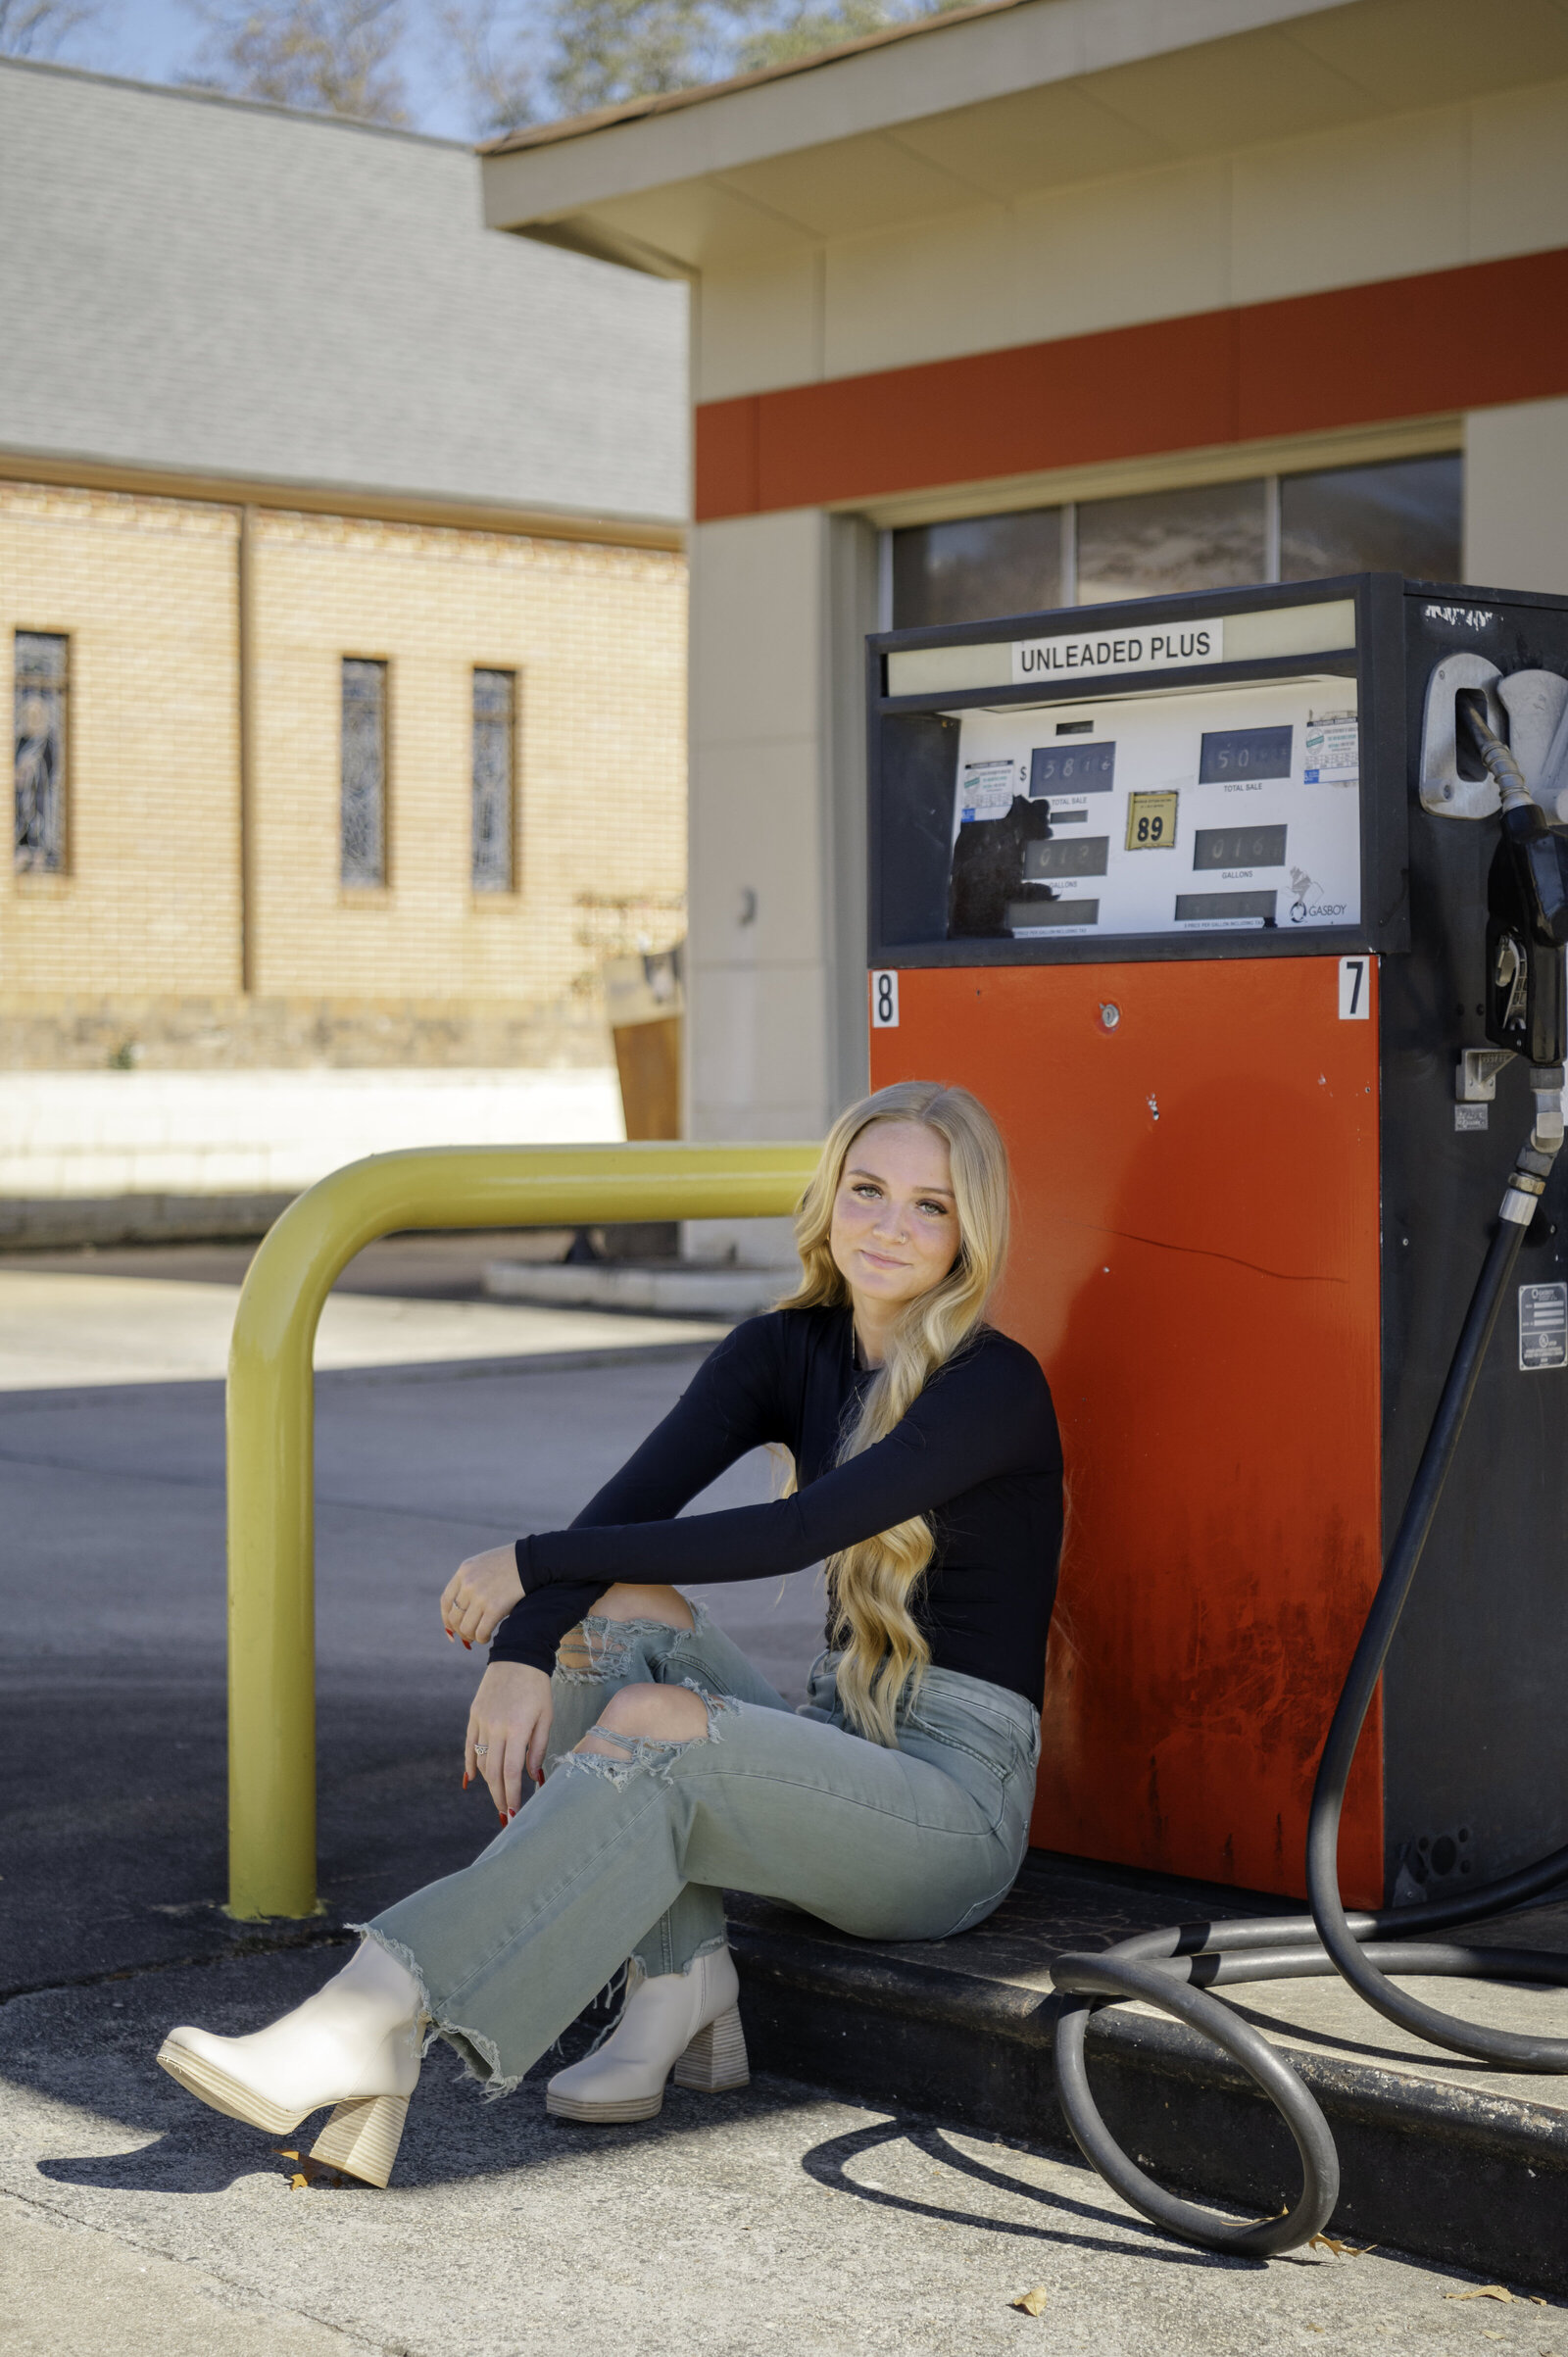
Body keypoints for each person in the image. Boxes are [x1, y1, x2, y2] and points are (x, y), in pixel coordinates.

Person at [157, 1081, 1063, 2186]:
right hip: (837, 1744)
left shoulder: (994, 1383)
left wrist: (528, 1563)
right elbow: (626, 1518)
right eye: (867, 1189)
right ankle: (678, 1982)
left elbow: (798, 1529)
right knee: (614, 1613)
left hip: (947, 1812)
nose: (887, 1224)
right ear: (828, 1197)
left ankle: (375, 2009)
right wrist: (522, 1649)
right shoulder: (783, 1349)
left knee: (655, 1718)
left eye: (929, 1204)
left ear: (971, 1229)